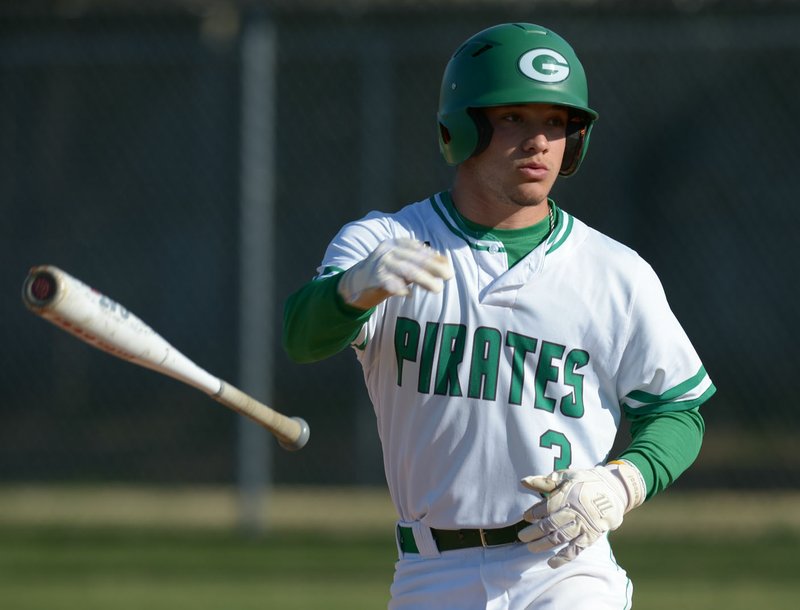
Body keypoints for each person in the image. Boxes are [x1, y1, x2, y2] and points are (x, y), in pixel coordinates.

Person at [283, 22, 715, 610]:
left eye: (557, 122)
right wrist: (351, 291)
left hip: (568, 568)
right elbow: (302, 339)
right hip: (430, 573)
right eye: (514, 117)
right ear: (460, 127)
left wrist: (621, 481)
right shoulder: (388, 243)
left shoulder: (616, 272)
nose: (539, 141)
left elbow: (677, 412)